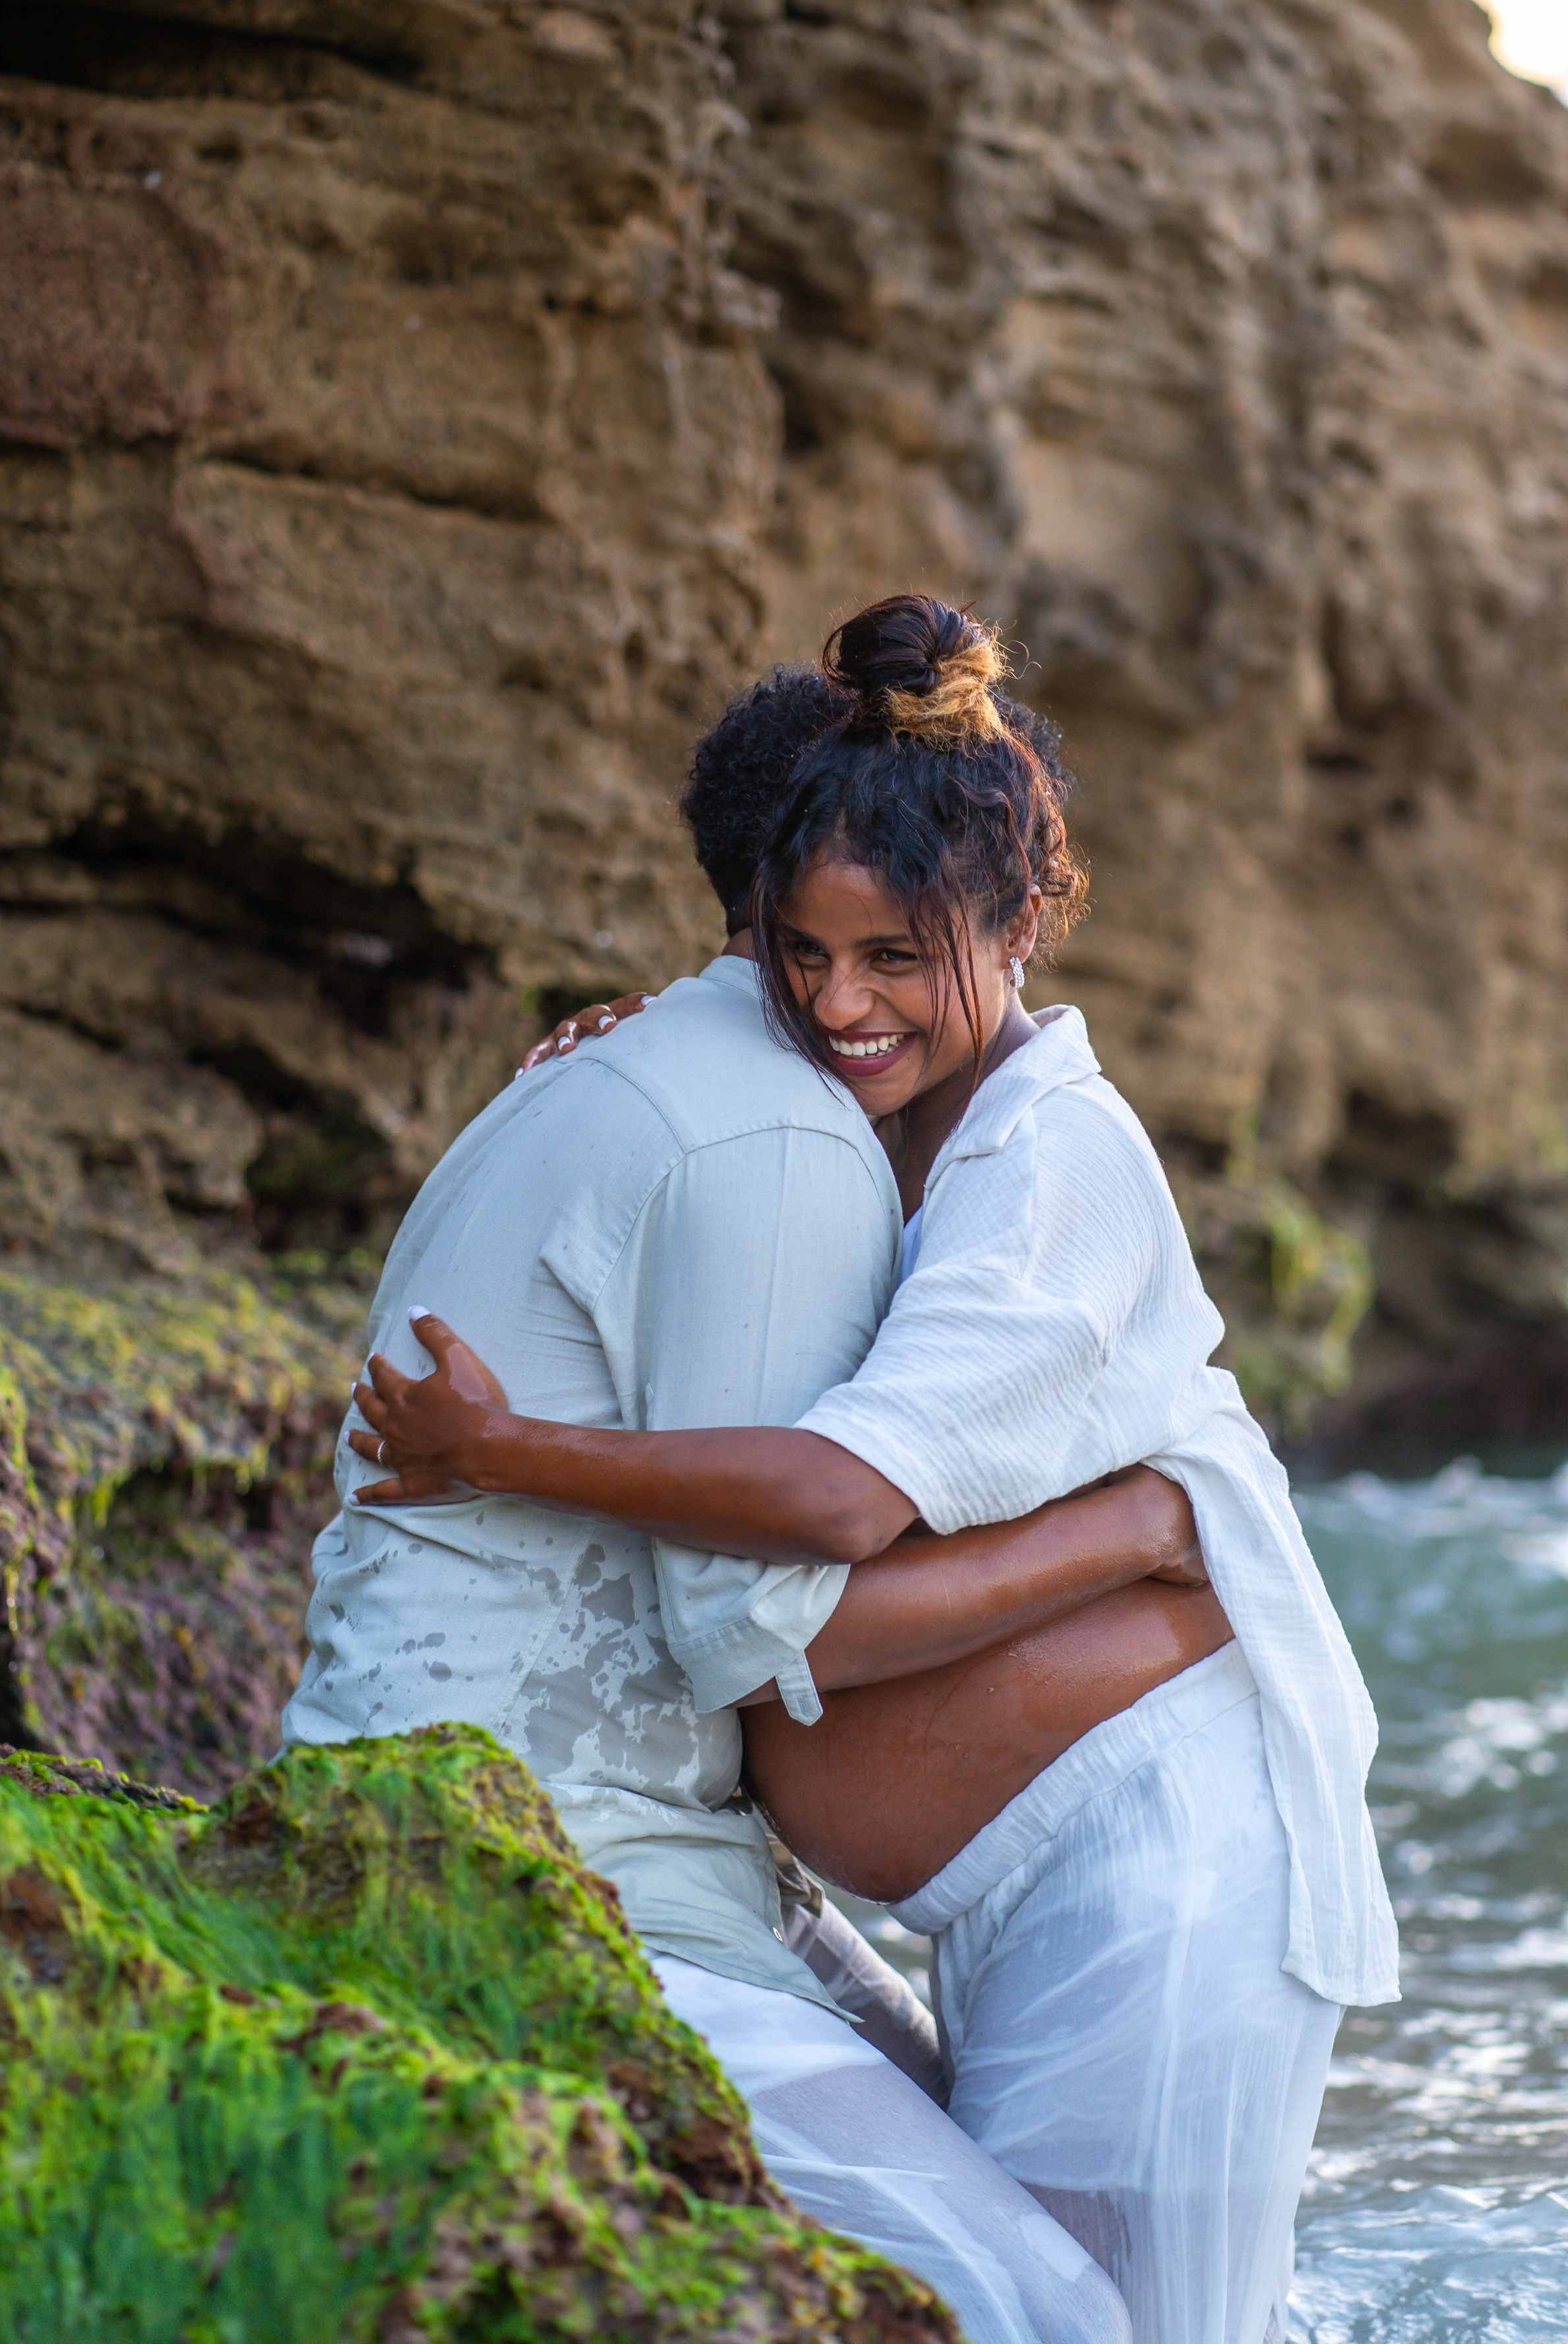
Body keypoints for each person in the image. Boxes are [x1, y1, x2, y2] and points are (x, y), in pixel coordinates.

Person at [350, 596, 1400, 2344]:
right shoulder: (892, 1122)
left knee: (1121, 2335)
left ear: (1020, 924)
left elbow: (831, 1524)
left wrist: (510, 1452)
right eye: (798, 953)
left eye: (896, 956)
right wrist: (677, 1023)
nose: (840, 1001)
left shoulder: (1048, 1169)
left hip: (1164, 1876)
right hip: (1023, 1888)